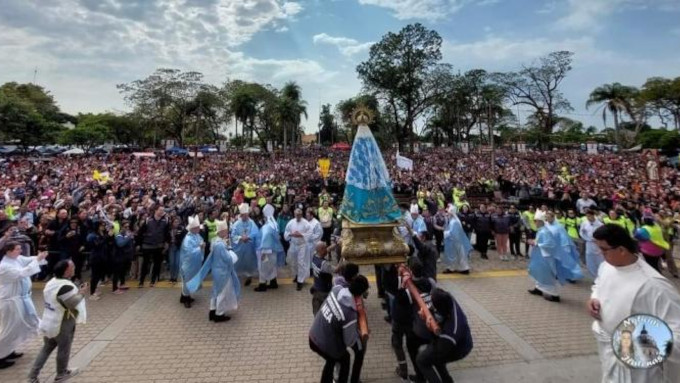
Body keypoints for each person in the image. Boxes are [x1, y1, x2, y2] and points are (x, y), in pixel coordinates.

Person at [589, 223, 680, 382]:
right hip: (608, 350)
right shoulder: (607, 266)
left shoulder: (654, 286)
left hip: (638, 365)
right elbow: (598, 284)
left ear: (622, 250)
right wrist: (594, 298)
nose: (599, 253)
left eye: (603, 249)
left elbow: (677, 331)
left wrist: (639, 347)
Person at [28, 260, 87, 383]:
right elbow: (71, 304)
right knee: (63, 349)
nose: (75, 268)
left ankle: (32, 376)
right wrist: (81, 293)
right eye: (72, 266)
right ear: (66, 270)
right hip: (62, 323)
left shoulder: (51, 282)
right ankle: (61, 373)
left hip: (48, 320)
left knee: (46, 348)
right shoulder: (66, 286)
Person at [309, 275, 369, 383]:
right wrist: (361, 338)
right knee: (345, 358)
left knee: (331, 360)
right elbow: (349, 340)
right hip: (323, 343)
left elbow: (337, 280)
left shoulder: (337, 289)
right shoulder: (349, 313)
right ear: (359, 294)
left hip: (313, 335)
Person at [408, 288, 473, 383]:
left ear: (440, 310)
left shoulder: (451, 331)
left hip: (458, 348)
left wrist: (429, 325)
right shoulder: (448, 298)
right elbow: (431, 302)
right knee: (436, 360)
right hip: (454, 340)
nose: (431, 306)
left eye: (434, 307)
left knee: (422, 360)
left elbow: (440, 342)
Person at [0, 242, 48, 369]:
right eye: (17, 249)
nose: (20, 251)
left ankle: (9, 351)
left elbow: (28, 260)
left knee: (16, 327)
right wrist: (37, 260)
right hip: (10, 302)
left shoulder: (16, 259)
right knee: (9, 329)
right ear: (8, 251)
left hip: (20, 300)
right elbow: (22, 273)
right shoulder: (4, 266)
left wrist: (40, 257)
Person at [187, 220, 240, 322]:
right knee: (222, 292)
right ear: (222, 231)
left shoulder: (216, 241)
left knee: (216, 291)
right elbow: (228, 259)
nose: (227, 232)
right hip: (223, 272)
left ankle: (212, 311)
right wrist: (231, 251)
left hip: (217, 271)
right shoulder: (220, 245)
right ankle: (219, 314)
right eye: (226, 230)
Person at [527, 211, 561, 302]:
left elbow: (550, 244)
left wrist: (535, 243)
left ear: (541, 221)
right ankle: (538, 289)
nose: (535, 223)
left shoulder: (545, 231)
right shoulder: (541, 230)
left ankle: (555, 295)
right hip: (540, 256)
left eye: (536, 221)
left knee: (547, 275)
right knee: (539, 273)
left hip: (546, 257)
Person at [137, 205, 170, 288]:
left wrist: (166, 242)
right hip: (147, 245)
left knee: (157, 264)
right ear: (155, 210)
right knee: (145, 264)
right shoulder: (148, 220)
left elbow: (167, 233)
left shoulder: (165, 221)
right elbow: (140, 232)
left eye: (163, 210)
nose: (162, 212)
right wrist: (138, 244)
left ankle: (152, 281)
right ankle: (141, 281)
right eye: (160, 210)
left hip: (159, 246)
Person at [254, 205, 284, 291]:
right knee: (272, 267)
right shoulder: (274, 224)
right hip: (274, 250)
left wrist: (263, 252)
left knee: (263, 267)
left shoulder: (266, 227)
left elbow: (266, 240)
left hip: (266, 251)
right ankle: (273, 282)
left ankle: (262, 285)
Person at [231, 203, 259, 287]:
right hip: (239, 246)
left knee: (249, 261)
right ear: (241, 215)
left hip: (249, 246)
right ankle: (238, 276)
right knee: (239, 261)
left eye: (246, 215)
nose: (245, 217)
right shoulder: (236, 224)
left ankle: (249, 276)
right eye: (243, 215)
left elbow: (256, 232)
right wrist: (240, 238)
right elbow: (232, 235)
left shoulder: (252, 223)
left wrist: (248, 237)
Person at [179, 215, 205, 308]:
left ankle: (184, 296)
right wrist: (200, 247)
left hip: (194, 263)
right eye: (197, 227)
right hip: (189, 263)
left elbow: (201, 242)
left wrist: (202, 246)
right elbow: (189, 252)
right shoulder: (188, 239)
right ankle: (186, 299)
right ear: (193, 228)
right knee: (187, 280)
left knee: (191, 279)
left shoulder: (196, 235)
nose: (199, 229)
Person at [285, 208, 311, 291]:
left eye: (299, 215)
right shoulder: (291, 222)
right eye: (296, 214)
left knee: (301, 262)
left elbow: (310, 233)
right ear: (294, 214)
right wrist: (291, 234)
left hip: (301, 246)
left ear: (302, 214)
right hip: (293, 244)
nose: (298, 216)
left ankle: (300, 281)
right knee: (293, 261)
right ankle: (297, 275)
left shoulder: (306, 223)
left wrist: (301, 235)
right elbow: (286, 232)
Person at [442, 205, 472, 274]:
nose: (447, 214)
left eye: (448, 213)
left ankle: (453, 268)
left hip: (455, 242)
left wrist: (445, 233)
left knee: (454, 255)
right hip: (456, 242)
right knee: (459, 255)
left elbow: (453, 233)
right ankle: (462, 268)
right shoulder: (454, 220)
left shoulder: (454, 222)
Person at [310, 241, 338, 315]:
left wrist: (336, 244)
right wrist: (343, 258)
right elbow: (336, 270)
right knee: (327, 312)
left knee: (316, 311)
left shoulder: (314, 255)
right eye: (325, 248)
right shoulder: (324, 264)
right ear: (321, 249)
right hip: (324, 292)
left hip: (316, 289)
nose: (327, 249)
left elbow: (327, 249)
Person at [579, 209, 604, 278]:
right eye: (587, 216)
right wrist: (587, 238)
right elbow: (581, 232)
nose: (588, 218)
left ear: (593, 215)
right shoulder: (584, 223)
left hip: (598, 244)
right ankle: (594, 277)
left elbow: (603, 234)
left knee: (600, 261)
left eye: (589, 216)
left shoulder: (600, 224)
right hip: (589, 244)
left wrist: (598, 240)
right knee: (590, 261)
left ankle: (601, 276)